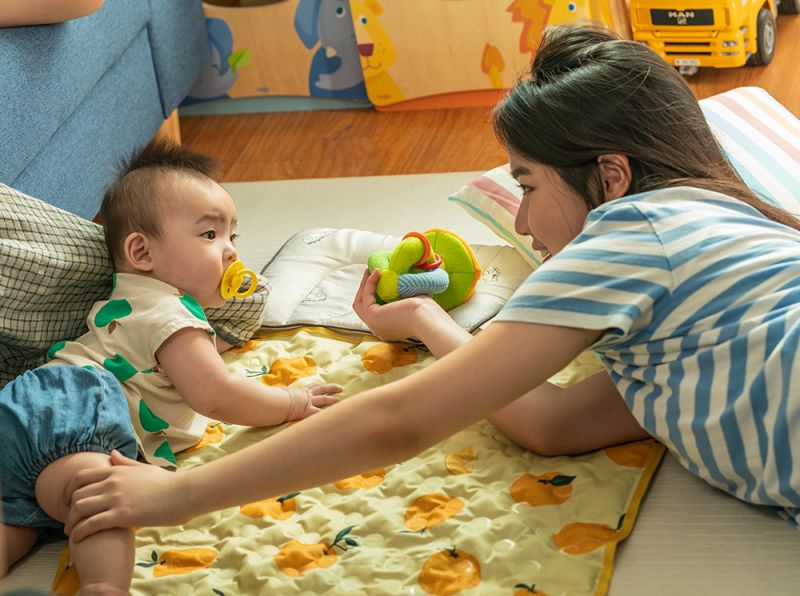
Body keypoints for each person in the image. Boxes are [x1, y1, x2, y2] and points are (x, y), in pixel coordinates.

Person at [64, 23, 800, 543]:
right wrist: (426, 319)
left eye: (527, 184)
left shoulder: (632, 232)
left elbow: (399, 422)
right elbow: (557, 424)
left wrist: (179, 494)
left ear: (610, 176)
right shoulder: (716, 263)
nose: (520, 215)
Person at [0, 141, 341, 596]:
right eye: (209, 235)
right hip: (74, 406)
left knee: (18, 524)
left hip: (30, 413)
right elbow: (217, 395)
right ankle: (105, 595)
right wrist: (291, 402)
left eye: (233, 237)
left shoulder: (134, 302)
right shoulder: (172, 314)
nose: (230, 252)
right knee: (98, 499)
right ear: (141, 251)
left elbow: (160, 366)